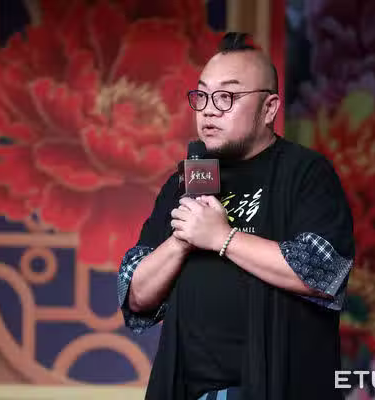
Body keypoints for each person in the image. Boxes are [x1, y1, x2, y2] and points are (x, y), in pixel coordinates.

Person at [117, 32, 355, 400]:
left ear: (269, 109)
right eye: (202, 96)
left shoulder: (306, 172)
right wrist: (182, 239)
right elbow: (135, 297)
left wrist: (222, 237)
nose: (209, 110)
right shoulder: (184, 182)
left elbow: (322, 272)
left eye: (226, 97)